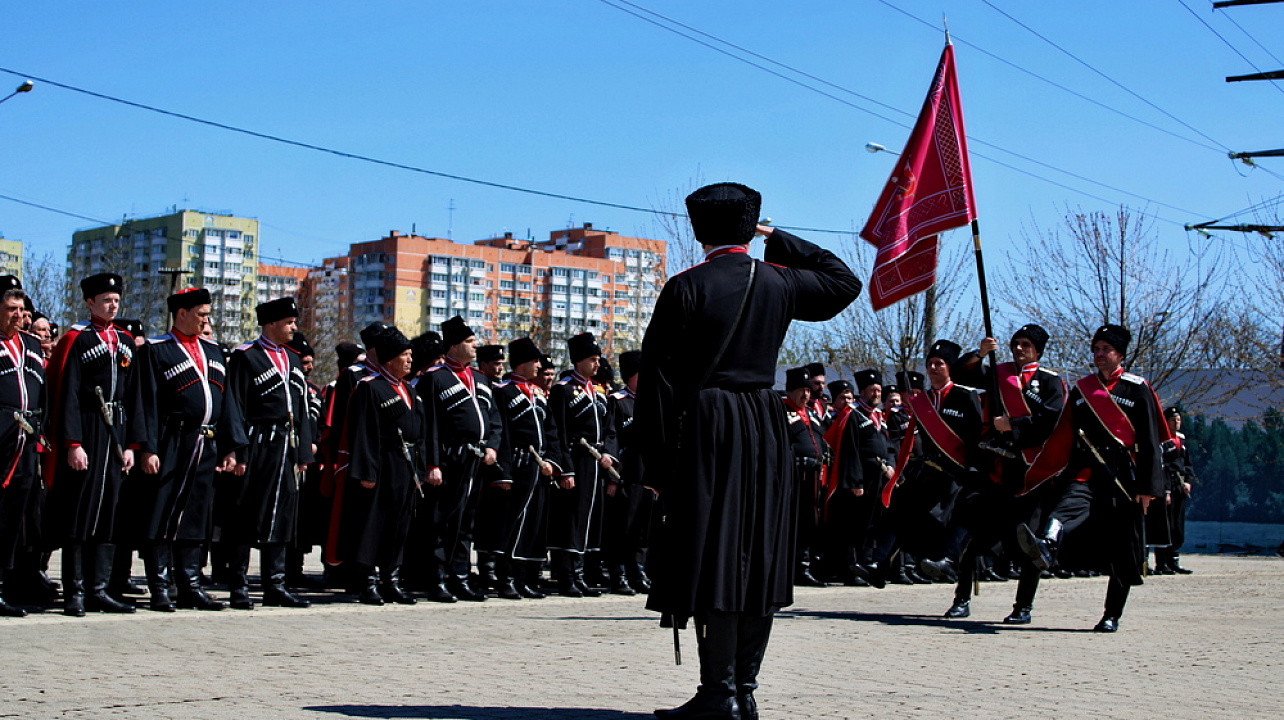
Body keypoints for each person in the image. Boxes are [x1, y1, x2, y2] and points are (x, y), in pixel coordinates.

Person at [637, 183, 861, 720]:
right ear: (749, 226)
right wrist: (778, 237)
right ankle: (746, 691)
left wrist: (656, 464)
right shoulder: (779, 281)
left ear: (697, 230)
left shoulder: (685, 286)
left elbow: (659, 384)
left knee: (712, 553)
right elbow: (843, 281)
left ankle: (719, 694)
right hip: (764, 423)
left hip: (707, 425)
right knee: (757, 554)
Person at [1016, 324, 1166, 632]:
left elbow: (1150, 440)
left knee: (1122, 549)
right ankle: (1046, 543)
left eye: (1105, 350)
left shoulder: (1136, 388)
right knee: (1065, 507)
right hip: (1086, 469)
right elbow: (1064, 434)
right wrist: (1051, 468)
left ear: (1120, 354)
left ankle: (1112, 614)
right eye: (1096, 349)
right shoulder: (1082, 389)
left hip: (1123, 475)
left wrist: (1149, 487)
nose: (1098, 355)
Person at [933, 325, 1068, 622]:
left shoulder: (1050, 382)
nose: (1018, 349)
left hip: (1029, 474)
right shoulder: (998, 371)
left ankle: (1023, 607)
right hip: (997, 468)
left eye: (1025, 345)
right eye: (1015, 344)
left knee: (1029, 544)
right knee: (975, 537)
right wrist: (980, 354)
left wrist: (1014, 427)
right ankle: (961, 599)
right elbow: (963, 375)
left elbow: (1051, 421)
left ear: (1038, 350)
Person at [135, 288, 246, 611]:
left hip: (206, 442)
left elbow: (227, 404)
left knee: (196, 516)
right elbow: (147, 402)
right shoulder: (157, 350)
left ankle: (190, 585)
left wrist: (231, 447)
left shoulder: (213, 350)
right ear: (181, 313)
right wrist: (148, 448)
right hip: (172, 440)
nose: (206, 320)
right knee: (163, 512)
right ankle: (159, 587)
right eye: (200, 314)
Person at [45, 273, 141, 615]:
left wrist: (133, 444)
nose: (112, 305)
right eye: (105, 300)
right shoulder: (77, 339)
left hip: (117, 430)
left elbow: (136, 396)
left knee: (110, 511)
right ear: (90, 302)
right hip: (87, 427)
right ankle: (75, 591)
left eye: (116, 300)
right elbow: (67, 392)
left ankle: (100, 588)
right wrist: (72, 442)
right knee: (80, 513)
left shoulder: (126, 341)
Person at [220, 297, 315, 609]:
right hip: (258, 440)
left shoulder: (291, 359)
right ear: (272, 323)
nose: (293, 328)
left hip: (286, 446)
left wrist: (303, 452)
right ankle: (239, 585)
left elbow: (300, 408)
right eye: (288, 323)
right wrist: (238, 450)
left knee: (282, 513)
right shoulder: (246, 356)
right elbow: (233, 404)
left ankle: (275, 584)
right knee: (246, 513)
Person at [329, 327, 425, 605]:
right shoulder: (370, 387)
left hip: (405, 464)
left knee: (399, 524)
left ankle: (391, 580)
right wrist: (366, 472)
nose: (410, 361)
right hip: (380, 464)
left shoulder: (409, 388)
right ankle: (367, 581)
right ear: (389, 358)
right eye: (405, 356)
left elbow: (420, 432)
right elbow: (362, 433)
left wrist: (419, 470)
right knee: (372, 525)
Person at [415, 316, 502, 602]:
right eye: (469, 342)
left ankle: (460, 576)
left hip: (475, 461)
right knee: (441, 521)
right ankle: (436, 578)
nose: (475, 346)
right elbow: (428, 426)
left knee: (466, 522)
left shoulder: (480, 378)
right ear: (453, 346)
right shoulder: (434, 378)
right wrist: (432, 463)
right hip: (449, 458)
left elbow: (494, 419)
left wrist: (492, 446)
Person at [483, 337, 566, 599]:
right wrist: (503, 472)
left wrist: (552, 461)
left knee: (532, 525)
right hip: (517, 466)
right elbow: (503, 434)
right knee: (512, 524)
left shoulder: (539, 394)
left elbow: (552, 432)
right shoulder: (504, 391)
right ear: (522, 363)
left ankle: (523, 577)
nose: (539, 366)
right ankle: (505, 578)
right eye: (535, 361)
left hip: (539, 468)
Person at [547, 332, 617, 597]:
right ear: (578, 360)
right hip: (577, 460)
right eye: (591, 359)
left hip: (598, 462)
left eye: (598, 359)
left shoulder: (598, 392)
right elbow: (560, 433)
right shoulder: (563, 390)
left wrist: (610, 454)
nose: (597, 364)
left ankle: (582, 572)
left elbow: (610, 430)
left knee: (590, 518)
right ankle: (567, 574)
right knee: (573, 518)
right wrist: (566, 468)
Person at [0, 276, 45, 617]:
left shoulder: (30, 346)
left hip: (25, 444)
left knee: (13, 519)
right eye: (10, 309)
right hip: (1, 440)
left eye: (20, 309)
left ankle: (4, 586)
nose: (18, 316)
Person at [603, 350, 655, 595]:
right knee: (623, 524)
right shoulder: (618, 400)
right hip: (626, 473)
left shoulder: (652, 401)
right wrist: (612, 476)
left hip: (648, 473)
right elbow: (611, 436)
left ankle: (638, 568)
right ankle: (619, 571)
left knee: (643, 525)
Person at [781, 366, 828, 587]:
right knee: (792, 522)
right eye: (801, 390)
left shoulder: (811, 414)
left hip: (814, 476)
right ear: (790, 391)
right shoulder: (781, 412)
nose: (806, 395)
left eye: (808, 391)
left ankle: (804, 565)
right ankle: (789, 567)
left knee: (811, 524)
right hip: (793, 477)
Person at [1154, 407, 1194, 575]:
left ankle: (1174, 560)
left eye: (1178, 420)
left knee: (1177, 525)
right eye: (1172, 420)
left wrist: (1189, 482)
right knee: (1166, 525)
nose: (1176, 423)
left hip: (1180, 486)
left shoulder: (1181, 441)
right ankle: (1161, 563)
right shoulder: (1161, 440)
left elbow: (1187, 464)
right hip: (1166, 485)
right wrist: (1167, 490)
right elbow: (1163, 467)